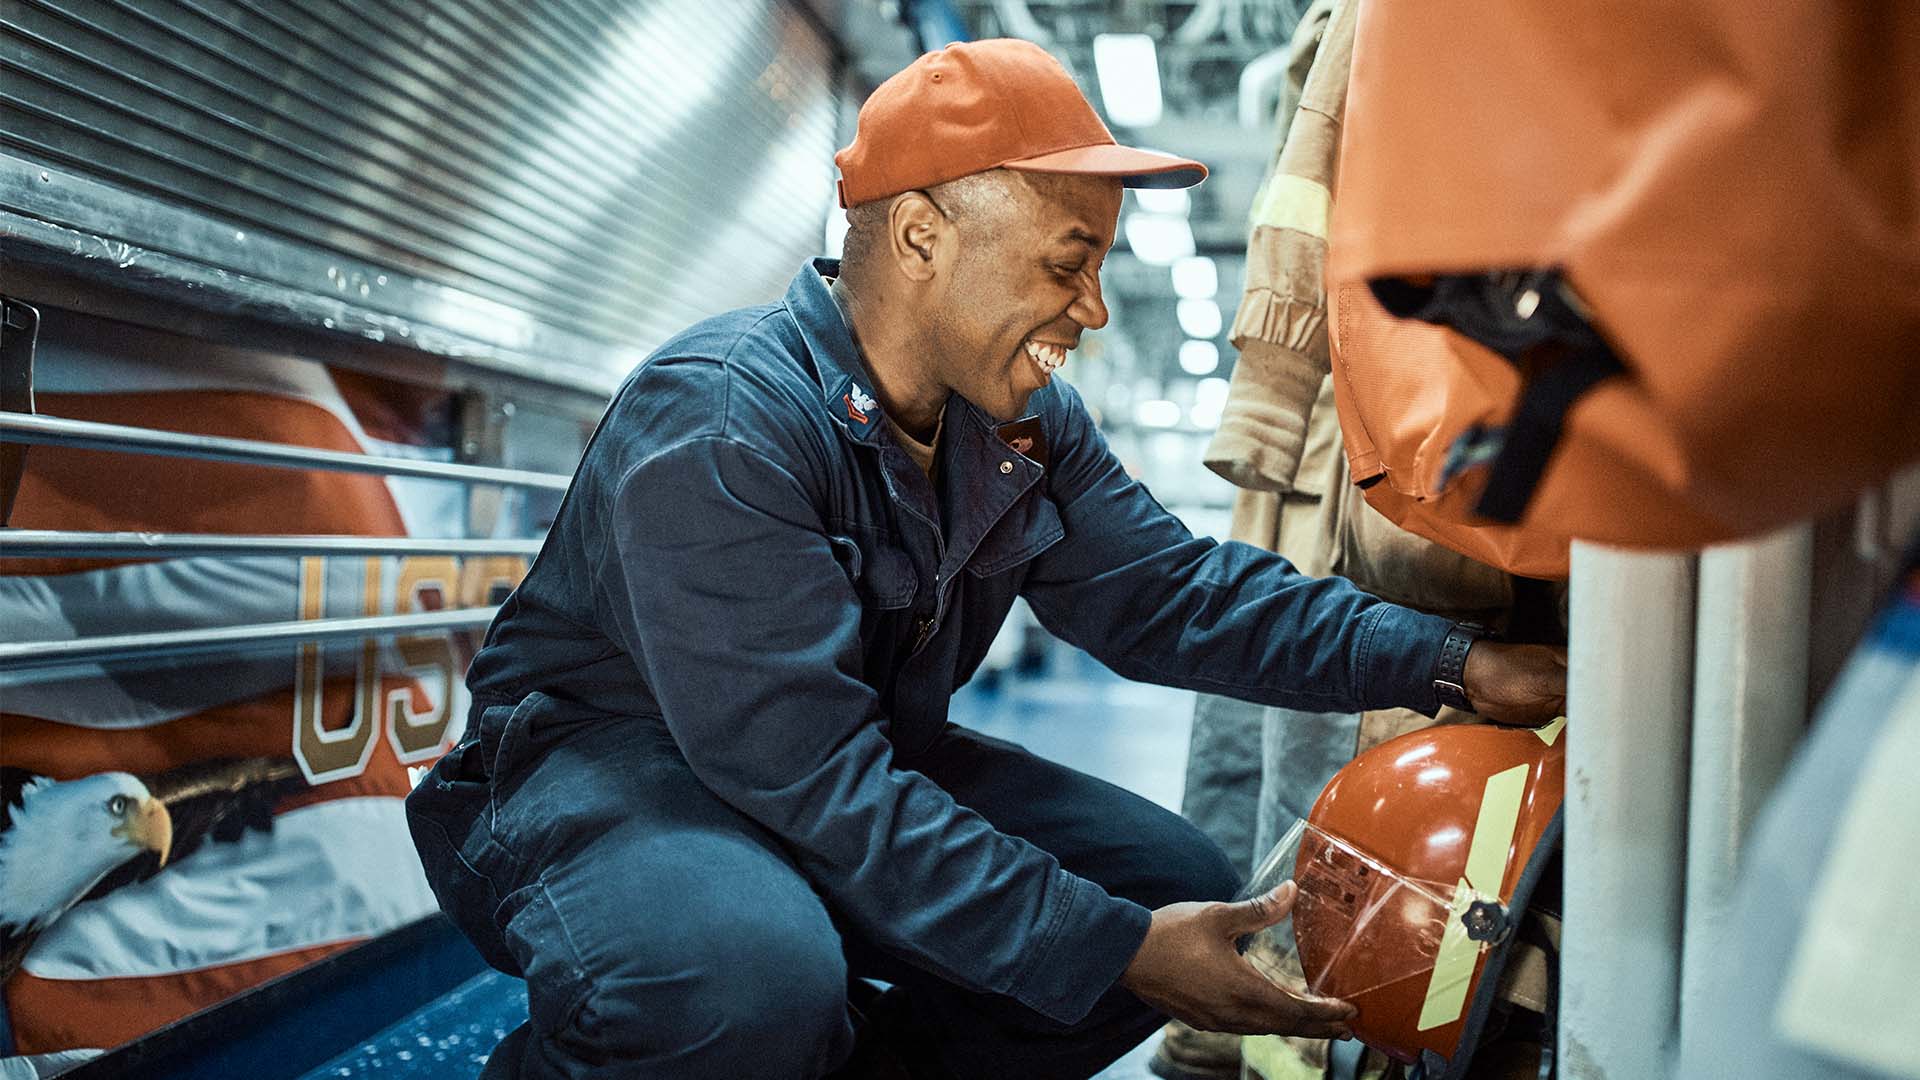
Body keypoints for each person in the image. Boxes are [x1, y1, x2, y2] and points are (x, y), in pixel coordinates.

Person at [405, 38, 1567, 1080]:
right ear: (921, 236)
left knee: (1161, 884)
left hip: (825, 765)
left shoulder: (1012, 426)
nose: (1095, 311)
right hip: (597, 776)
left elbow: (1172, 596)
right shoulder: (721, 421)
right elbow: (817, 784)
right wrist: (1115, 953)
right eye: (1069, 263)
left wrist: (1455, 663)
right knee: (738, 989)